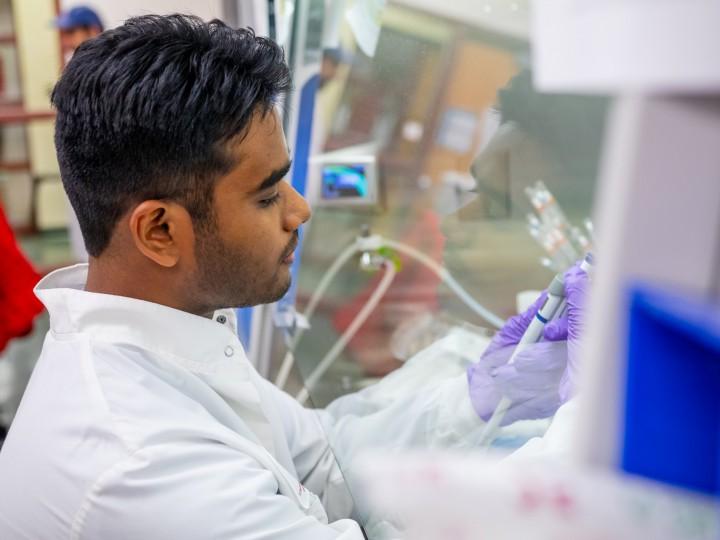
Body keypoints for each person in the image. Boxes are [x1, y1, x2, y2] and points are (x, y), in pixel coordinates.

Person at [0, 15, 363, 539]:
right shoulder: (141, 464)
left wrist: (466, 406)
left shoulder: (176, 334)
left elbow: (322, 451)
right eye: (267, 195)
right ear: (160, 231)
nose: (299, 210)